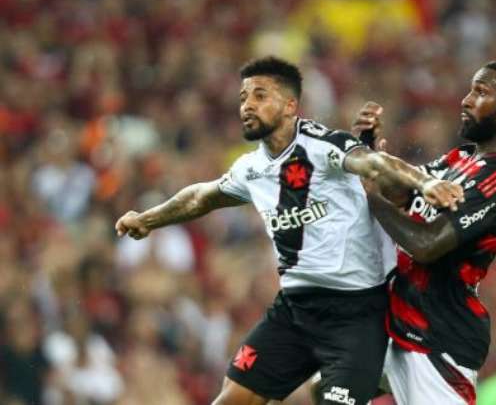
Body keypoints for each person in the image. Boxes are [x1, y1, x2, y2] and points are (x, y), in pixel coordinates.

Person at [115, 56, 463, 405]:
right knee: (232, 400)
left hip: (356, 314)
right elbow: (201, 197)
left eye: (260, 96)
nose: (247, 106)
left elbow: (374, 162)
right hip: (295, 310)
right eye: (243, 98)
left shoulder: (323, 146)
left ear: (290, 106)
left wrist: (426, 182)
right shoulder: (251, 168)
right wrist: (147, 219)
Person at [353, 60, 496, 404]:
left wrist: (371, 197)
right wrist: (370, 154)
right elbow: (402, 194)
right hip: (397, 324)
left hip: (438, 339)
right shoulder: (459, 159)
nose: (466, 100)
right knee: (325, 387)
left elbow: (427, 244)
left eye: (480, 92)